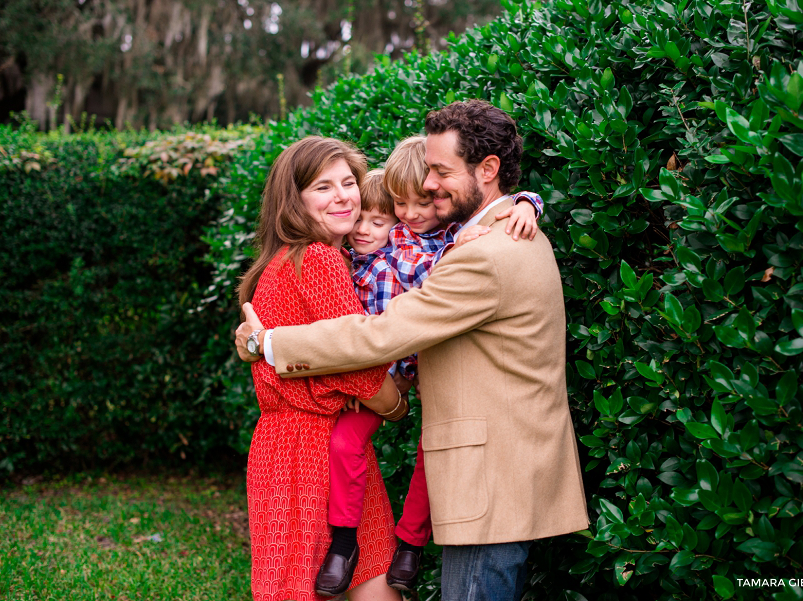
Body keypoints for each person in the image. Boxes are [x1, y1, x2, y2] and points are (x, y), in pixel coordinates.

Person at [236, 100, 590, 601]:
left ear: (488, 171)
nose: (426, 185)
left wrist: (266, 341)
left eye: (441, 171)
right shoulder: (494, 234)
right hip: (502, 473)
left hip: (490, 479)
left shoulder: (487, 253)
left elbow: (378, 335)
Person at [324, 157, 543, 594]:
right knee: (344, 441)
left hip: (429, 371)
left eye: (379, 218)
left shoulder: (445, 237)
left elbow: (489, 212)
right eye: (396, 208)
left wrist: (526, 204)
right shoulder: (361, 255)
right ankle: (343, 544)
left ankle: (409, 544)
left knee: (433, 454)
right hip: (376, 376)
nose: (368, 228)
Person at [237, 136, 406, 601]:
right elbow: (357, 366)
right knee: (353, 578)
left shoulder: (281, 261)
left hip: (296, 444)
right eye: (323, 187)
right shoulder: (321, 258)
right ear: (294, 200)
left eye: (349, 182)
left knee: (338, 575)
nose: (343, 197)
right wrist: (396, 404)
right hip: (310, 450)